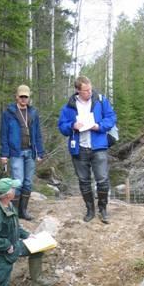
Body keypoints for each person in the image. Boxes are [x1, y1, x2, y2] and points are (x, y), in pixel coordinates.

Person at [58, 75, 116, 223]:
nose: (89, 92)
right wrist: (72, 126)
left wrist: (99, 126)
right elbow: (62, 127)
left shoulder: (101, 101)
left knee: (102, 179)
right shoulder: (69, 106)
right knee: (84, 180)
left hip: (98, 146)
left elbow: (111, 118)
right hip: (79, 148)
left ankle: (103, 209)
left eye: (90, 89)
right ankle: (90, 210)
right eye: (85, 90)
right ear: (77, 90)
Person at [0, 85, 45, 221]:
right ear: (17, 97)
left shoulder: (33, 113)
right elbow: (3, 134)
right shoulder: (8, 113)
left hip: (30, 152)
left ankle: (23, 211)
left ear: (29, 98)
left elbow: (37, 134)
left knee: (28, 183)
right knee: (17, 182)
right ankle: (13, 212)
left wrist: (40, 152)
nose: (24, 99)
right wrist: (4, 154)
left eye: (26, 96)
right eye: (21, 96)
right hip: (16, 152)